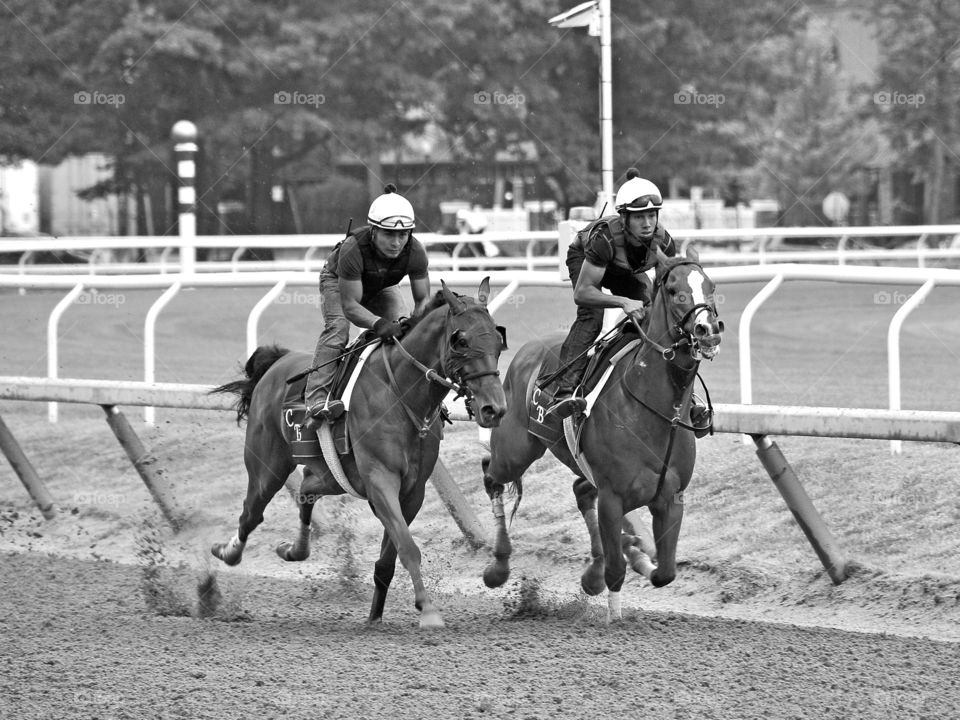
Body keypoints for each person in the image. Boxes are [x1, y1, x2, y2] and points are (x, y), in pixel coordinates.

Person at [544, 169, 677, 419]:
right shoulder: (604, 238)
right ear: (624, 218)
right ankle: (564, 393)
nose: (647, 223)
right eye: (639, 217)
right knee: (591, 316)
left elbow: (665, 292)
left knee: (650, 309)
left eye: (652, 215)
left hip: (622, 268)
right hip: (586, 258)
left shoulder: (665, 243)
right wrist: (622, 301)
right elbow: (583, 294)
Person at [304, 184, 431, 425]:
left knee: (403, 331)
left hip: (381, 284)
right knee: (338, 330)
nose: (396, 243)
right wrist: (379, 323)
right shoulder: (353, 249)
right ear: (373, 231)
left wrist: (412, 325)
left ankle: (406, 391)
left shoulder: (415, 251)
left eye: (402, 235)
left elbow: (423, 300)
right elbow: (351, 306)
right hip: (338, 281)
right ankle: (316, 399)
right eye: (388, 234)